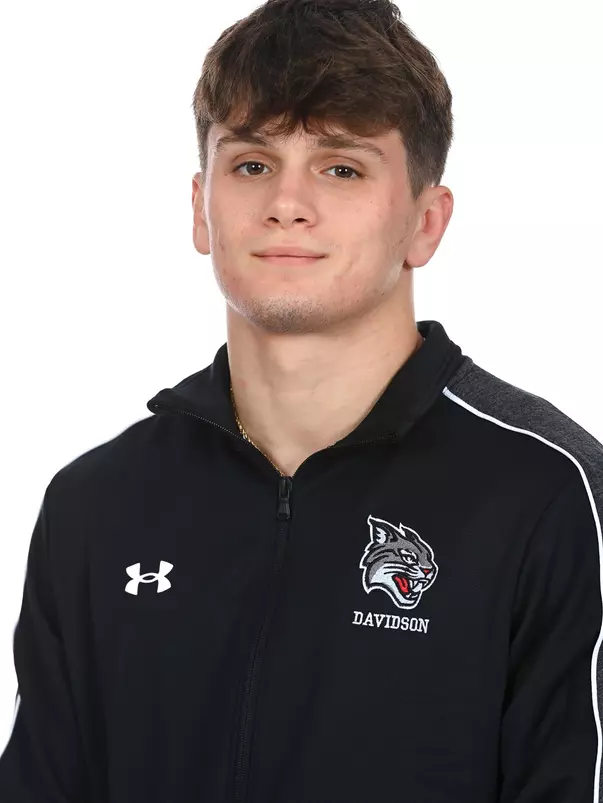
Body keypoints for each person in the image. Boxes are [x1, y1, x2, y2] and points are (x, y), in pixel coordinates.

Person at [1, 0, 602, 800]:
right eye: (251, 164)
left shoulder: (550, 494)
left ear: (426, 221)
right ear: (199, 206)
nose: (287, 203)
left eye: (341, 167)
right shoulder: (95, 505)